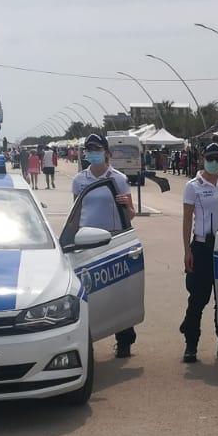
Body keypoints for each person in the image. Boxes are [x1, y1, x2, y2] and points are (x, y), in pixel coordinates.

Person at [73, 134, 138, 357]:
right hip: (86, 243)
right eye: (89, 149)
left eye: (97, 149)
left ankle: (124, 341)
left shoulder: (118, 179)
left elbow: (130, 214)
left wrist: (127, 205)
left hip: (112, 242)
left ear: (106, 152)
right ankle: (87, 341)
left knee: (118, 292)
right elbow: (76, 213)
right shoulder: (79, 179)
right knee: (87, 294)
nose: (93, 152)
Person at [181, 142, 218, 363]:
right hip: (202, 246)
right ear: (203, 158)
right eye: (211, 158)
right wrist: (187, 250)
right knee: (198, 298)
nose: (214, 162)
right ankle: (191, 345)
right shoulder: (193, 185)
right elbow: (188, 219)